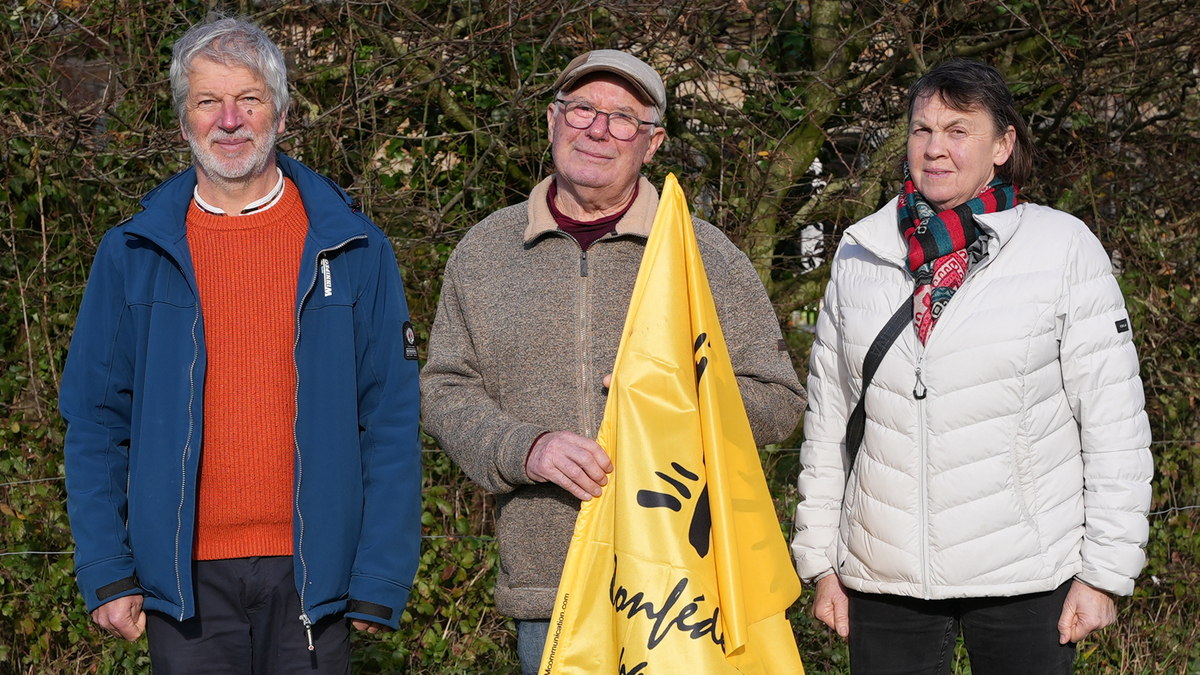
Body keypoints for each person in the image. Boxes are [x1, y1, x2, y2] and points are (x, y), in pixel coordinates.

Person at [420, 49, 807, 675]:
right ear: (552, 121)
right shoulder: (485, 250)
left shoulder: (703, 254)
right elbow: (443, 389)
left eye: (623, 118)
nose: (597, 129)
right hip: (551, 589)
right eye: (582, 109)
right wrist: (525, 449)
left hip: (683, 588)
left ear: (652, 144)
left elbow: (777, 398)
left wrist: (675, 396)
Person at [59, 17, 421, 674]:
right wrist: (108, 569)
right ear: (183, 122)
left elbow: (391, 419)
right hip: (184, 585)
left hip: (316, 580)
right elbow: (94, 420)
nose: (230, 120)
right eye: (208, 102)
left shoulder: (356, 248)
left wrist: (381, 572)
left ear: (280, 116)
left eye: (248, 100)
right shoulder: (133, 254)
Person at [790, 58, 1153, 674]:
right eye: (921, 130)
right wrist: (820, 561)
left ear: (1002, 144)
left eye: (958, 130)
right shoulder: (861, 249)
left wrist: (1107, 573)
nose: (935, 149)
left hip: (1026, 574)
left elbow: (1114, 421)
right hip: (886, 572)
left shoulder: (1061, 248)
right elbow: (829, 419)